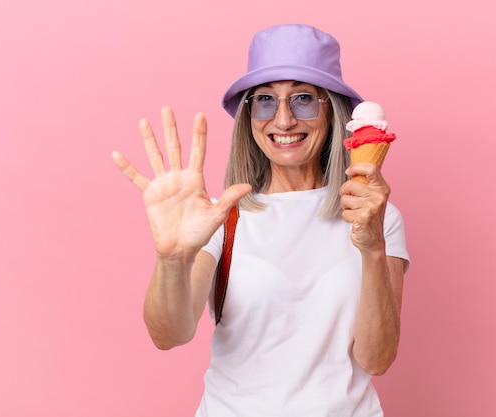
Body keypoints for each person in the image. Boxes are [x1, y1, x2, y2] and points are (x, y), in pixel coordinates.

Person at [112, 24, 410, 417]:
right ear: (249, 116)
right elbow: (169, 334)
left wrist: (372, 247)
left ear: (333, 110)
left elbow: (377, 359)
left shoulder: (377, 216)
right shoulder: (220, 216)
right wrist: (171, 260)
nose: (283, 120)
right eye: (265, 101)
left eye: (303, 99)